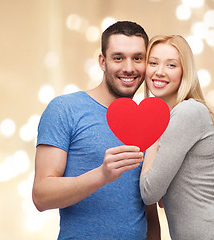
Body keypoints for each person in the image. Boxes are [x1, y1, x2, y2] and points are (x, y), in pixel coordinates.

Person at [32, 21, 160, 239]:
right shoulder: (65, 109)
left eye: (137, 58)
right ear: (103, 61)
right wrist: (101, 175)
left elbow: (148, 208)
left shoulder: (149, 122)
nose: (129, 68)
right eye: (118, 58)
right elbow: (41, 196)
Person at [139, 35, 214, 240]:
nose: (159, 71)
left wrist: (151, 133)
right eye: (153, 63)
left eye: (171, 65)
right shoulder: (174, 117)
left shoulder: (188, 112)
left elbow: (149, 192)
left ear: (184, 72)